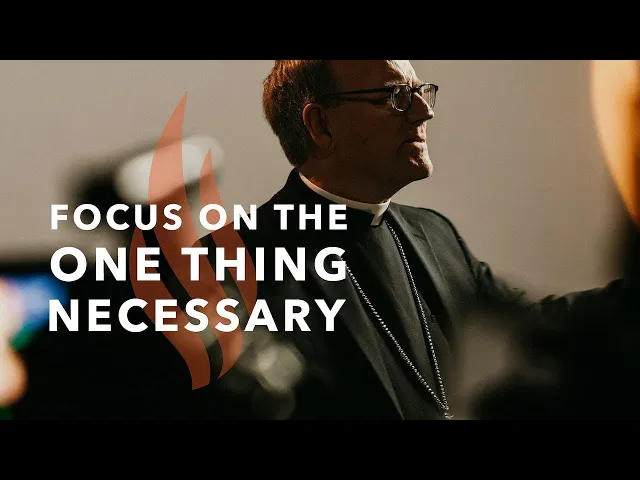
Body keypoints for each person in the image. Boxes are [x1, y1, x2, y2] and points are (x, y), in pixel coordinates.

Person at [173, 60, 637, 420]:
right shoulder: (229, 266)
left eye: (419, 91)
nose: (424, 110)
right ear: (321, 125)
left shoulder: (436, 234)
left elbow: (530, 326)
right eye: (395, 96)